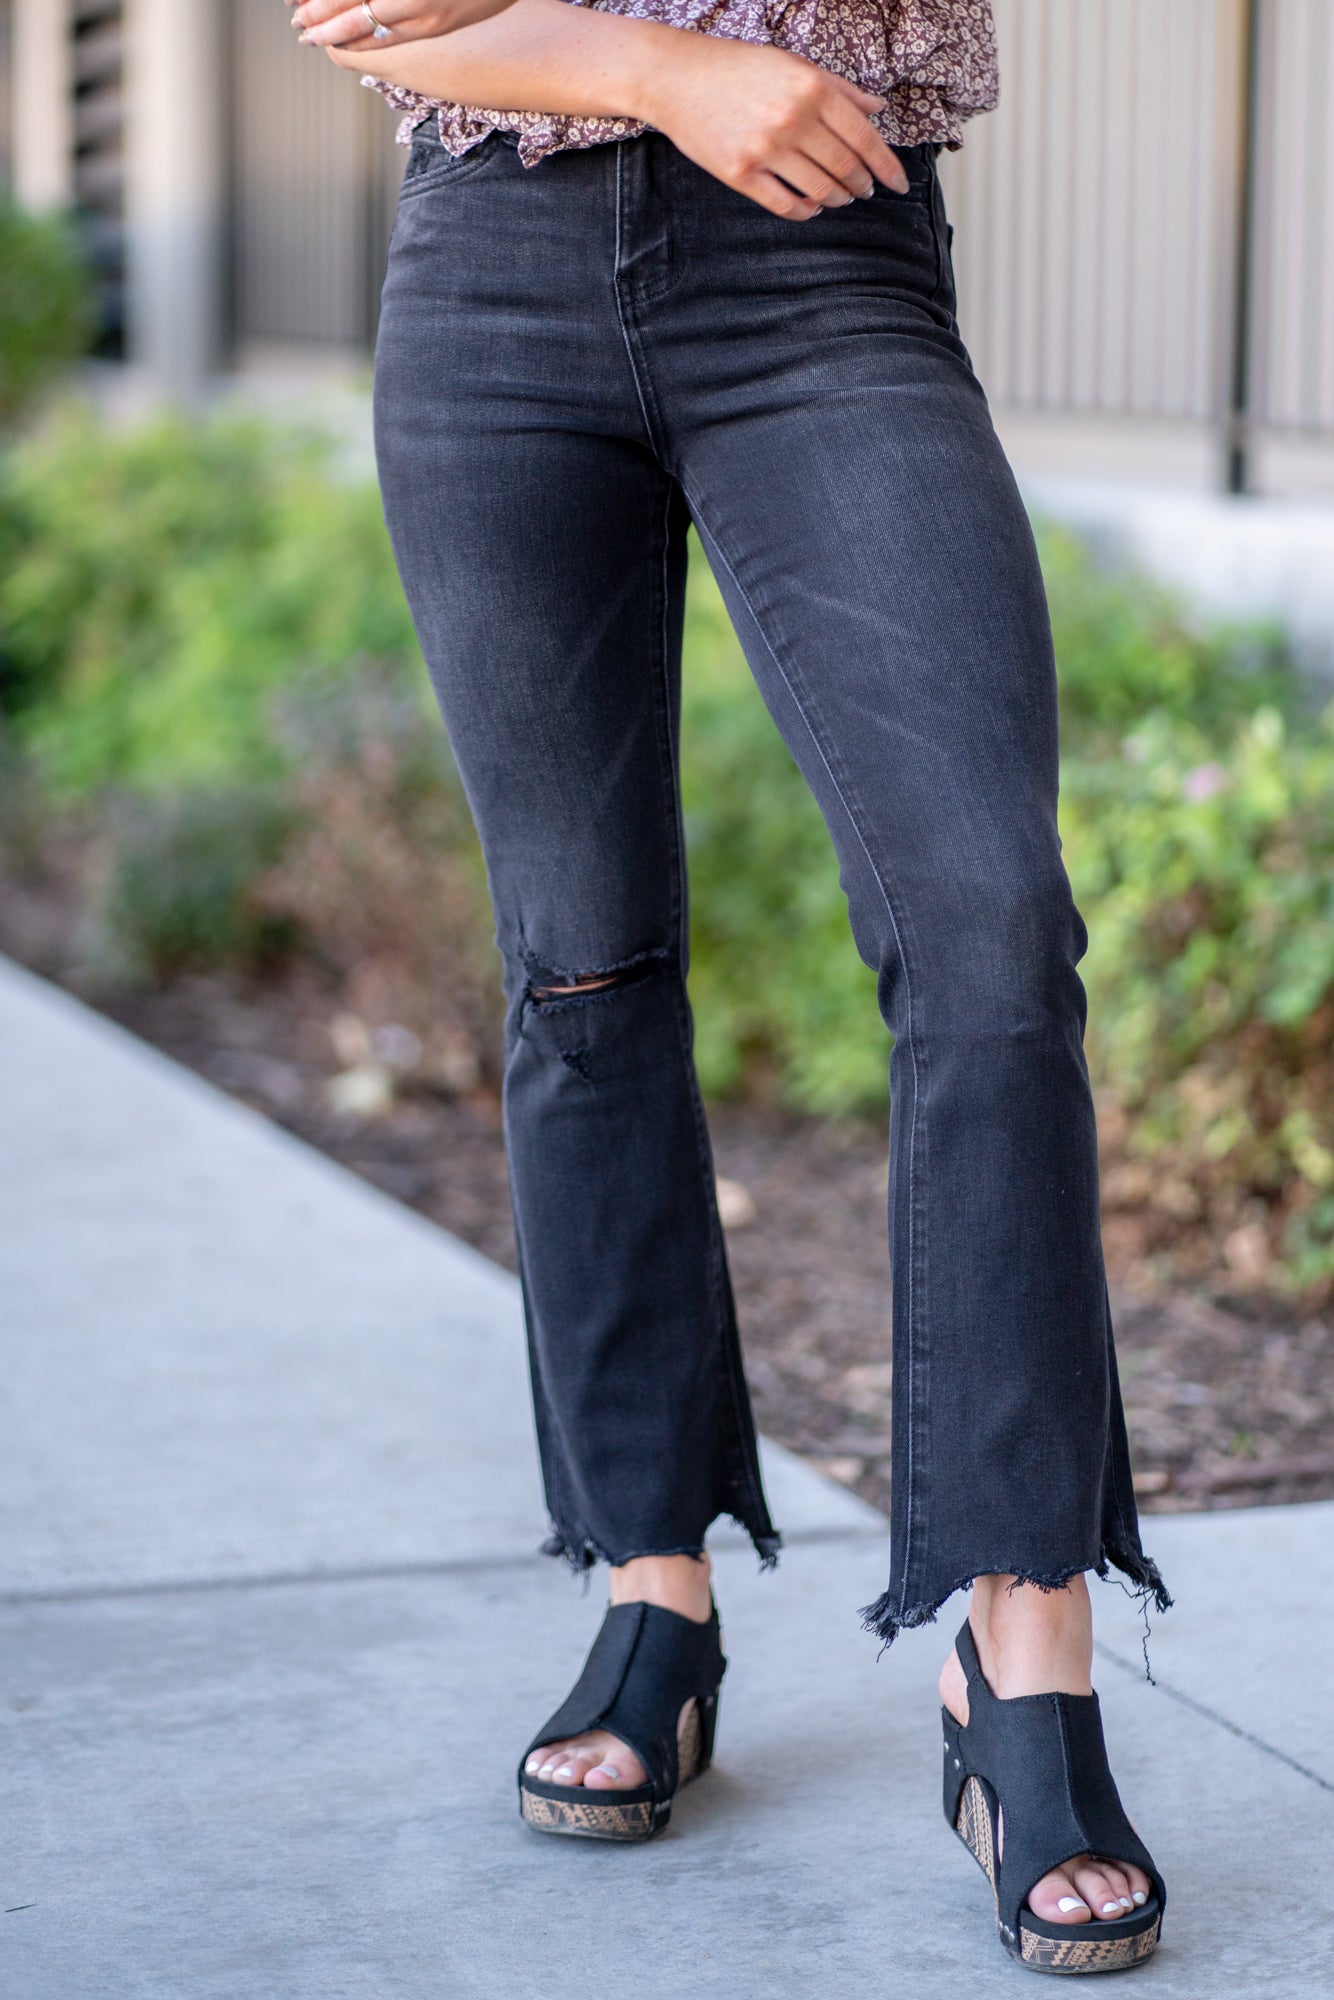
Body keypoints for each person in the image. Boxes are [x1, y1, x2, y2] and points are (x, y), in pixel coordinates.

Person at [288, 0, 1171, 1971]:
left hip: (819, 265)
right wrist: (658, 64)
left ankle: (1020, 1650)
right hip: (493, 271)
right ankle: (650, 1596)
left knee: (988, 930)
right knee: (582, 953)